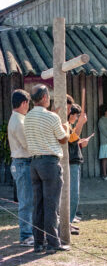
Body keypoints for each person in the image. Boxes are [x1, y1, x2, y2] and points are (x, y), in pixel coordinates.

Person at [24, 84, 70, 254]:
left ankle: (38, 243)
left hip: (34, 163)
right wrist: (66, 127)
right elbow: (63, 139)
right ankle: (53, 243)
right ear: (44, 98)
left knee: (39, 205)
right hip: (50, 163)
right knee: (52, 205)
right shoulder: (52, 117)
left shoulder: (28, 116)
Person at [8, 89, 34, 246]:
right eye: (28, 104)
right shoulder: (18, 121)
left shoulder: (18, 118)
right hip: (22, 162)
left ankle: (28, 232)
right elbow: (28, 145)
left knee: (28, 200)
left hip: (22, 162)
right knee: (26, 201)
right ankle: (25, 235)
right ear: (24, 103)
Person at [68, 104, 89, 234]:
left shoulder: (69, 126)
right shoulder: (65, 124)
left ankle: (68, 222)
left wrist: (80, 142)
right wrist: (80, 123)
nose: (76, 118)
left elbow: (73, 140)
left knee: (74, 195)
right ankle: (67, 224)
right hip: (70, 162)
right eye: (76, 116)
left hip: (74, 160)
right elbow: (71, 140)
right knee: (72, 195)